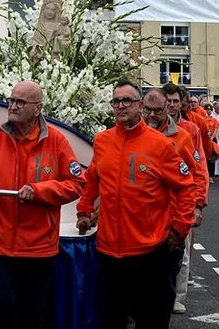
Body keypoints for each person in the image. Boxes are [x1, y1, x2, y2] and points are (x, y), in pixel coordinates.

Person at [76, 80, 195, 329]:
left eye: (127, 101)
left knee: (151, 320)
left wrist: (180, 228)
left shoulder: (161, 144)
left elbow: (185, 187)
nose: (121, 106)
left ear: (140, 105)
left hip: (149, 252)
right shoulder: (102, 141)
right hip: (109, 251)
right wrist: (84, 210)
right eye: (116, 101)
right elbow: (92, 179)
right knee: (111, 319)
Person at [0, 81, 85, 329]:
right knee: (0, 308)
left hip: (38, 247)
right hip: (0, 245)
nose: (12, 106)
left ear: (38, 108)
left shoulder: (56, 141)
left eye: (20, 102)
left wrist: (39, 191)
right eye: (11, 100)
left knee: (33, 314)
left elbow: (76, 184)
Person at [141, 88, 207, 316]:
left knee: (176, 259)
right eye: (147, 110)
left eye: (157, 110)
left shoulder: (185, 134)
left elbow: (197, 173)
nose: (152, 115)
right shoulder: (130, 133)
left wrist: (197, 205)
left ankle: (175, 298)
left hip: (172, 215)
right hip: (139, 217)